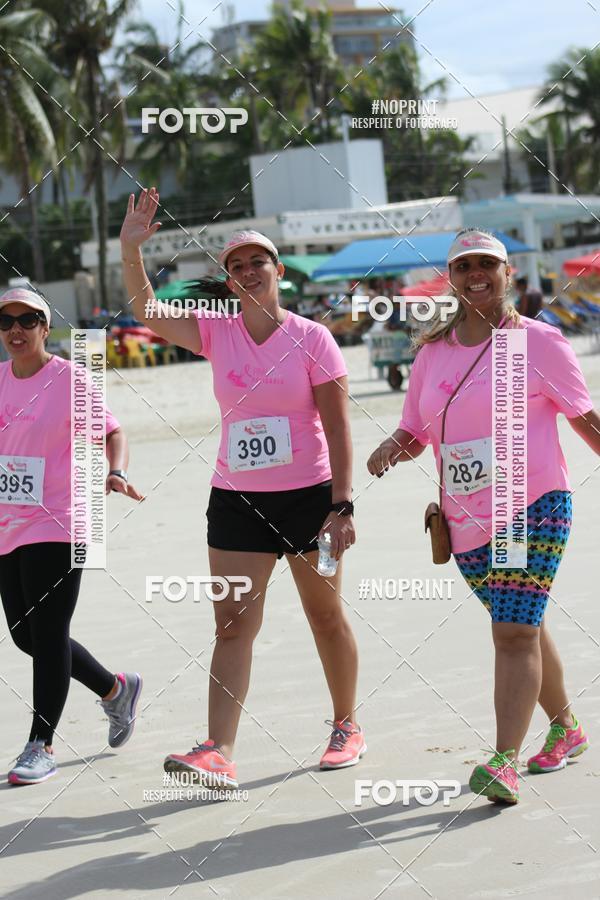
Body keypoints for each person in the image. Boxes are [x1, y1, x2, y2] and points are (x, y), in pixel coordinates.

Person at [119, 188, 364, 788]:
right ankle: (218, 750)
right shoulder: (215, 331)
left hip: (312, 499)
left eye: (259, 261)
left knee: (325, 615)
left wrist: (342, 505)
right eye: (237, 265)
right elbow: (146, 311)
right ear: (228, 280)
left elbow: (337, 425)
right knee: (231, 625)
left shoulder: (314, 338)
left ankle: (346, 726)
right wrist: (131, 250)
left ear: (278, 271)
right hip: (236, 503)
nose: (249, 270)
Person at [367, 228, 599, 804]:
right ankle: (567, 728)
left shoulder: (539, 343)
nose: (476, 273)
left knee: (513, 631)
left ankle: (503, 761)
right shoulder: (432, 353)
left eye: (487, 264)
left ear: (507, 272)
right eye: (465, 264)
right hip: (463, 520)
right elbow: (418, 431)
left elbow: (586, 420)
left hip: (532, 506)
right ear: (452, 276)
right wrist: (390, 447)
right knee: (524, 622)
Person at [0, 288, 144, 785]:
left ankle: (41, 743)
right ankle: (114, 689)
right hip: (8, 524)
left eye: (27, 320)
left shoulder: (69, 379)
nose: (15, 330)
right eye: (6, 321)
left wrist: (116, 471)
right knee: (27, 637)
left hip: (61, 520)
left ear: (45, 326)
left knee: (47, 630)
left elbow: (112, 433)